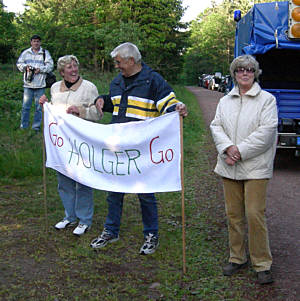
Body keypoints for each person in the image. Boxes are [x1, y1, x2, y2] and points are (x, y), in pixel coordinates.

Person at [90, 42, 188, 255]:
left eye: (118, 62)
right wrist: (102, 100)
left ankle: (151, 234)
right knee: (114, 191)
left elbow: (167, 103)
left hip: (142, 151)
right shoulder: (117, 82)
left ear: (131, 61)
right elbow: (117, 104)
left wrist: (177, 108)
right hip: (118, 147)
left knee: (145, 193)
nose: (116, 66)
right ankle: (111, 230)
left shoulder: (153, 80)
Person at [210, 55, 278, 284]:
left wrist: (237, 152)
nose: (245, 73)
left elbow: (266, 133)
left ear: (255, 72)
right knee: (233, 214)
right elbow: (216, 126)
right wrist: (227, 148)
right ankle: (237, 257)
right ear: (234, 73)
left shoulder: (267, 100)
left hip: (255, 167)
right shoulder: (225, 100)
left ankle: (262, 263)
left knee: (254, 214)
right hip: (229, 166)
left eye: (249, 69)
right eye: (240, 70)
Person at [39, 55, 102, 236]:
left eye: (75, 66)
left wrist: (80, 111)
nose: (73, 70)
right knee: (64, 180)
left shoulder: (89, 87)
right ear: (61, 72)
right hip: (61, 143)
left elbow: (98, 114)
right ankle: (70, 216)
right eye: (69, 67)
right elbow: (53, 112)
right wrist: (44, 105)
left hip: (82, 143)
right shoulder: (54, 88)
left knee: (82, 181)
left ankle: (84, 220)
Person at [17, 34, 54, 132]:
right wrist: (26, 68)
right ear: (31, 42)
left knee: (39, 108)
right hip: (28, 85)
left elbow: (50, 66)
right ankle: (23, 126)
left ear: (40, 42)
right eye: (34, 41)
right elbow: (19, 64)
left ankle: (36, 127)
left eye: (38, 41)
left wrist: (40, 69)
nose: (36, 43)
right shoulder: (25, 53)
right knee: (25, 107)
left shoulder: (45, 53)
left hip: (40, 85)